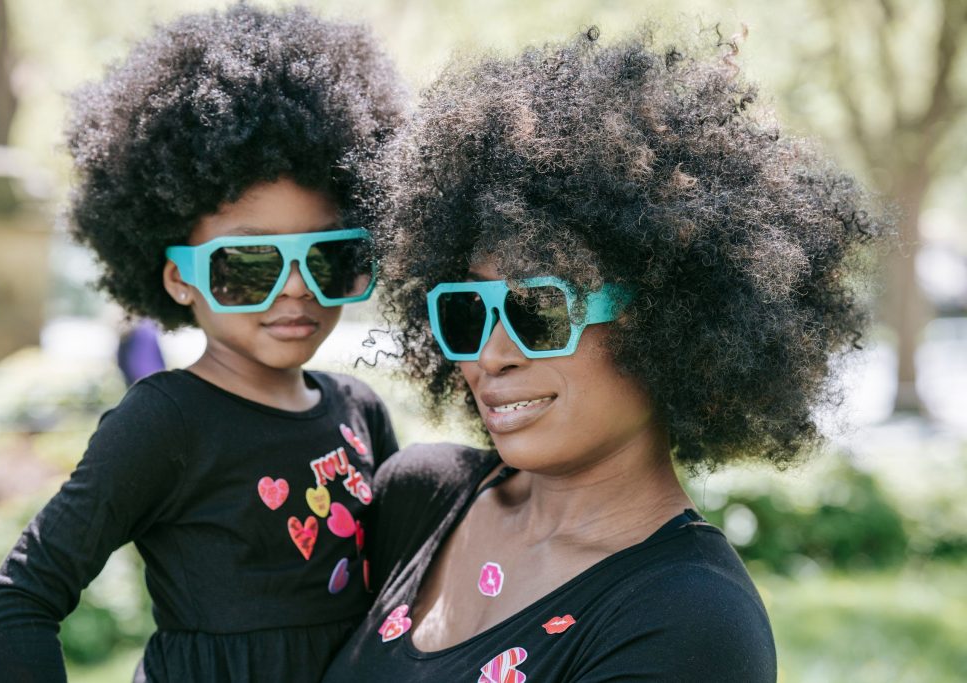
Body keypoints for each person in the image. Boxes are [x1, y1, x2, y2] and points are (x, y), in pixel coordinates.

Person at [324, 27, 883, 682]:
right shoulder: (420, 495)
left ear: (665, 323)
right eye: (468, 311)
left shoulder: (691, 622)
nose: (491, 354)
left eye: (538, 310)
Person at [0, 5, 404, 682]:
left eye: (326, 257)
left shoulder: (361, 409)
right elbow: (18, 601)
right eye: (249, 266)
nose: (295, 290)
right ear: (179, 277)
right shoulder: (165, 421)